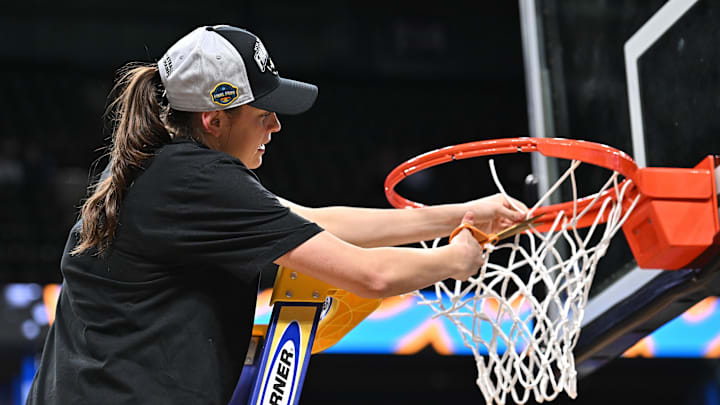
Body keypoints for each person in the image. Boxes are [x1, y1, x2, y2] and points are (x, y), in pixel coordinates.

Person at [27, 25, 527, 404]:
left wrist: (463, 213)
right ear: (215, 119)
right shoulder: (197, 180)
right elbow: (370, 275)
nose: (276, 123)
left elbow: (319, 221)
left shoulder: (162, 170)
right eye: (261, 109)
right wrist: (459, 258)